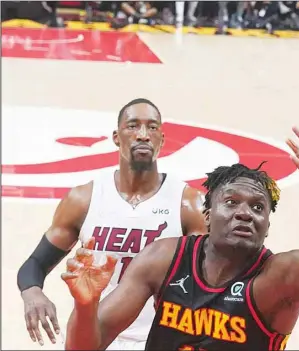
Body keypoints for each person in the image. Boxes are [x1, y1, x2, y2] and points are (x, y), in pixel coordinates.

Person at [60, 107, 299, 351]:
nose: (245, 213)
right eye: (231, 203)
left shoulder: (279, 279)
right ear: (207, 213)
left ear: (267, 226)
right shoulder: (164, 257)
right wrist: (84, 304)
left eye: (258, 207)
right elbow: (85, 346)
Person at [17, 98, 207, 349]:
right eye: (133, 126)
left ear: (161, 139)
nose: (143, 135)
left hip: (159, 338)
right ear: (116, 137)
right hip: (95, 336)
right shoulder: (83, 199)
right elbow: (35, 263)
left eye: (152, 127)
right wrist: (32, 293)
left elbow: (209, 281)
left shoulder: (189, 204)